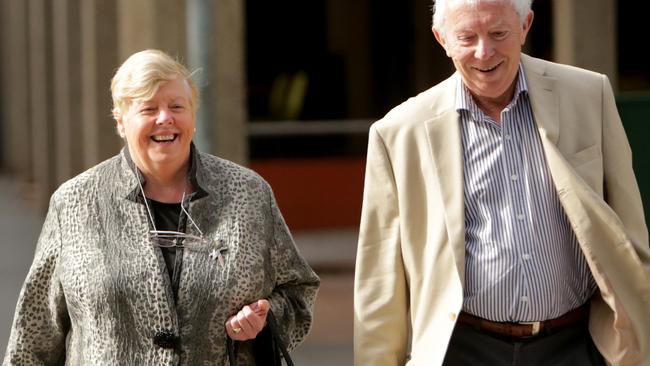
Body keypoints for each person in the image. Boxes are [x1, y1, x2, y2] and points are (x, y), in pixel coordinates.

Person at [354, 0, 650, 365]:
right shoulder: (398, 132)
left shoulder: (590, 95)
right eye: (466, 37)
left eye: (498, 33)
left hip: (575, 344)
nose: (484, 52)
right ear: (441, 39)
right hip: (462, 349)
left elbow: (631, 236)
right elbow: (381, 278)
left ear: (526, 26)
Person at [3, 49, 319, 365]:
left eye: (177, 106)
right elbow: (34, 337)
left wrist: (264, 320)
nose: (165, 118)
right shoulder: (73, 202)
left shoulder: (248, 194)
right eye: (149, 108)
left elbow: (298, 291)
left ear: (193, 115)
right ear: (121, 121)